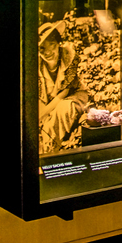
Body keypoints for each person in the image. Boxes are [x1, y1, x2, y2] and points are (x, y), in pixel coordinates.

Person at [38, 21, 89, 154]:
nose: (48, 52)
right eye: (42, 48)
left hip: (71, 95)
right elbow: (39, 96)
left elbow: (64, 92)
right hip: (48, 101)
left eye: (52, 45)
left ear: (58, 43)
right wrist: (41, 114)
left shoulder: (69, 56)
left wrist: (42, 115)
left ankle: (50, 150)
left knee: (62, 110)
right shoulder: (36, 65)